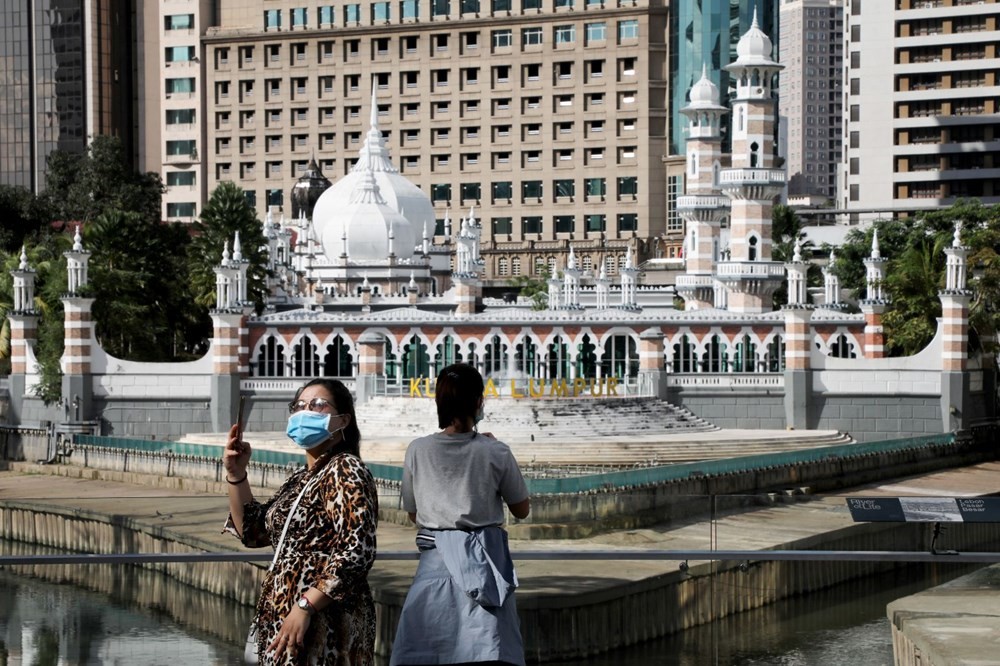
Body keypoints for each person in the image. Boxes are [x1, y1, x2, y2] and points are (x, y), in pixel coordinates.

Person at [223, 378, 379, 666]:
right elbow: (252, 532)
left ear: (342, 419)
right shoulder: (300, 479)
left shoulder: (345, 468)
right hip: (288, 618)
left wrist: (306, 606)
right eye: (299, 406)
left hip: (325, 620)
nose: (305, 411)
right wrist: (236, 474)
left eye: (318, 405)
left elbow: (358, 550)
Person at [390, 363, 531, 666]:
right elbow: (522, 509)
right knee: (488, 650)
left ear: (439, 403)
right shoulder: (495, 451)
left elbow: (414, 514)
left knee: (428, 651)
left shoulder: (418, 449)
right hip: (485, 566)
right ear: (479, 401)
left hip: (434, 566)